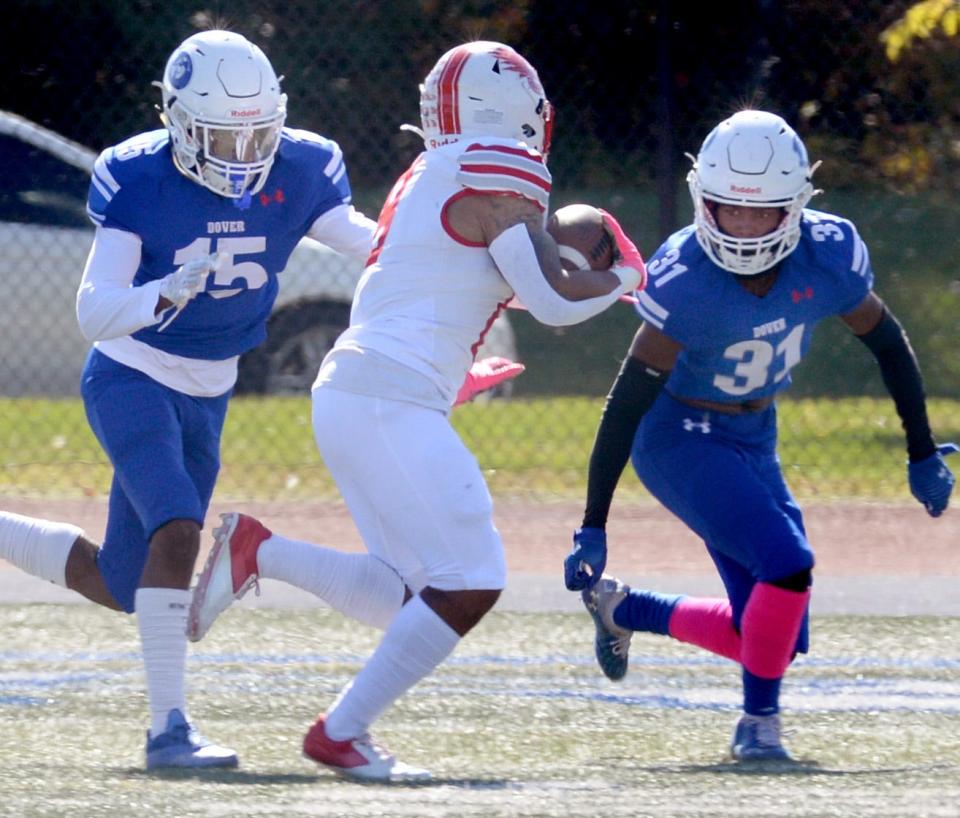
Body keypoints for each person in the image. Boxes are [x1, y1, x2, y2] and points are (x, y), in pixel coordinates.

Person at [0, 29, 515, 770]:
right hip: (131, 376)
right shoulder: (136, 177)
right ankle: (168, 732)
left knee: (121, 580)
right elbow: (93, 311)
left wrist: (470, 268)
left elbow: (370, 246)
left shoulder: (303, 166)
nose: (242, 156)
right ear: (177, 123)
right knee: (177, 530)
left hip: (211, 390)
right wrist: (160, 293)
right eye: (220, 136)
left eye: (256, 136)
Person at [187, 40, 647, 782]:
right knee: (470, 578)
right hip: (383, 397)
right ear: (514, 109)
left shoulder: (431, 172)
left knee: (412, 592)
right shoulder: (499, 164)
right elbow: (554, 300)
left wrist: (451, 375)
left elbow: (435, 291)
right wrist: (627, 273)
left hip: (362, 391)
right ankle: (342, 732)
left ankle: (258, 552)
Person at [563, 109, 957, 763]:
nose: (744, 226)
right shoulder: (686, 277)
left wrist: (919, 448)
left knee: (775, 635)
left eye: (763, 212)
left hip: (754, 432)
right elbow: (629, 399)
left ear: (797, 206)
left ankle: (625, 610)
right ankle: (759, 726)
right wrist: (594, 521)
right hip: (678, 434)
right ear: (702, 201)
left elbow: (887, 342)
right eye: (728, 209)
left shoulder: (828, 254)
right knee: (787, 563)